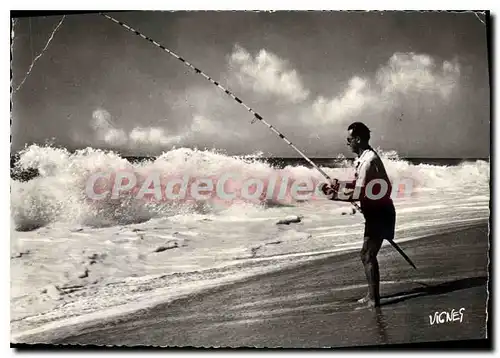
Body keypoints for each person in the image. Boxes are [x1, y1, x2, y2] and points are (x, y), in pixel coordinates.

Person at [321, 122, 396, 308]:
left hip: (380, 213)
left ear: (358, 139)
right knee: (367, 254)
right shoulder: (364, 158)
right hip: (377, 212)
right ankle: (372, 295)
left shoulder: (368, 161)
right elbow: (359, 185)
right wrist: (339, 184)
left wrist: (334, 196)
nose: (348, 143)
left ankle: (374, 299)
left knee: (367, 255)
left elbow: (359, 193)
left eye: (349, 139)